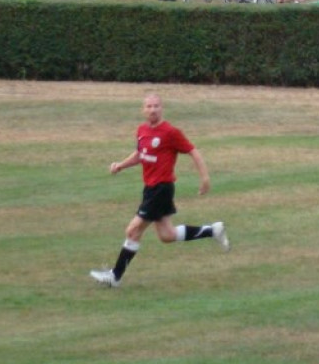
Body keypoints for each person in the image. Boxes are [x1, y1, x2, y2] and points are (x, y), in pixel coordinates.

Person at [89, 94, 230, 289]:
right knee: (167, 235)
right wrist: (121, 165)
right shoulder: (142, 131)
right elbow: (140, 154)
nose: (153, 109)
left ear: (161, 108)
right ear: (143, 110)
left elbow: (193, 151)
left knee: (133, 230)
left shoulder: (170, 132)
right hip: (150, 189)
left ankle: (115, 276)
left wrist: (205, 178)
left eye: (156, 106)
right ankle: (213, 230)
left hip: (161, 188)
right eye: (149, 106)